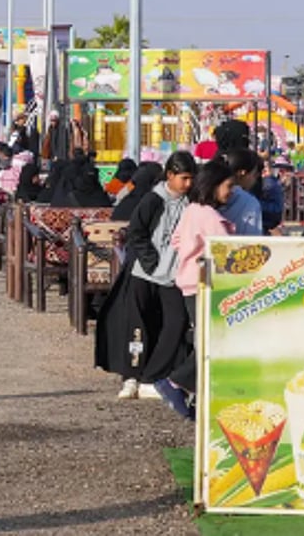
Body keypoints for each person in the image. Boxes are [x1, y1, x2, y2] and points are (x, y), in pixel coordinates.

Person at [155, 159, 235, 420]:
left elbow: (177, 239)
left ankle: (191, 390)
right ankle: (176, 382)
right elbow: (226, 249)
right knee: (212, 340)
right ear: (214, 185)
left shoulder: (192, 210)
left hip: (189, 281)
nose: (231, 192)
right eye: (228, 186)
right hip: (206, 283)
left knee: (206, 337)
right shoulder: (209, 216)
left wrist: (191, 253)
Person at [112, 151, 196, 400]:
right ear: (170, 175)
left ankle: (152, 375)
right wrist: (152, 263)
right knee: (138, 325)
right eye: (184, 178)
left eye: (191, 178)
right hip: (145, 273)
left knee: (176, 322)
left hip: (173, 275)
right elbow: (136, 232)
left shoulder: (190, 201)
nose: (188, 184)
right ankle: (131, 375)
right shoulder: (153, 200)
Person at [218, 149, 265, 235]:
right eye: (254, 174)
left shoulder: (208, 194)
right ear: (242, 173)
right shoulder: (249, 202)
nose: (255, 180)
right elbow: (253, 236)